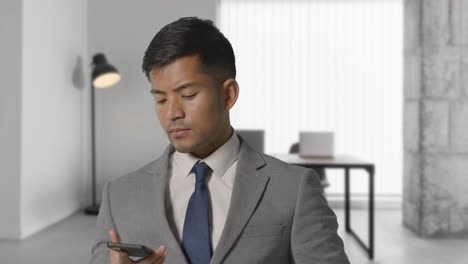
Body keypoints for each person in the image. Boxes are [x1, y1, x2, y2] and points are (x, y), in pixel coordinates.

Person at [90, 17, 349, 264]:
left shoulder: (295, 190)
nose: (172, 113)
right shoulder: (119, 196)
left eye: (188, 94)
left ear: (228, 95)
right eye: (160, 99)